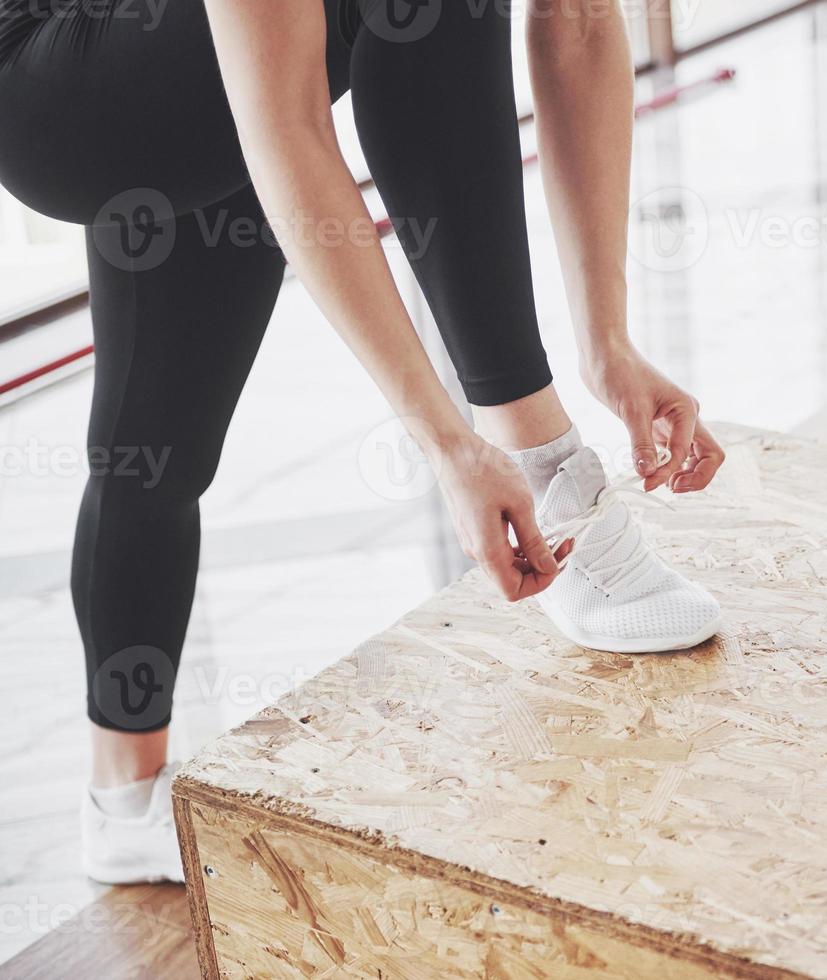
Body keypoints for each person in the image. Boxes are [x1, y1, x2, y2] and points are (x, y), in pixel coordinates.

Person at [0, 0, 724, 884]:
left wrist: (607, 345)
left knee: (153, 451)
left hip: (186, 61)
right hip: (50, 86)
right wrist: (452, 447)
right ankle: (548, 464)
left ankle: (121, 803)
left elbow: (574, 21)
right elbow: (290, 127)